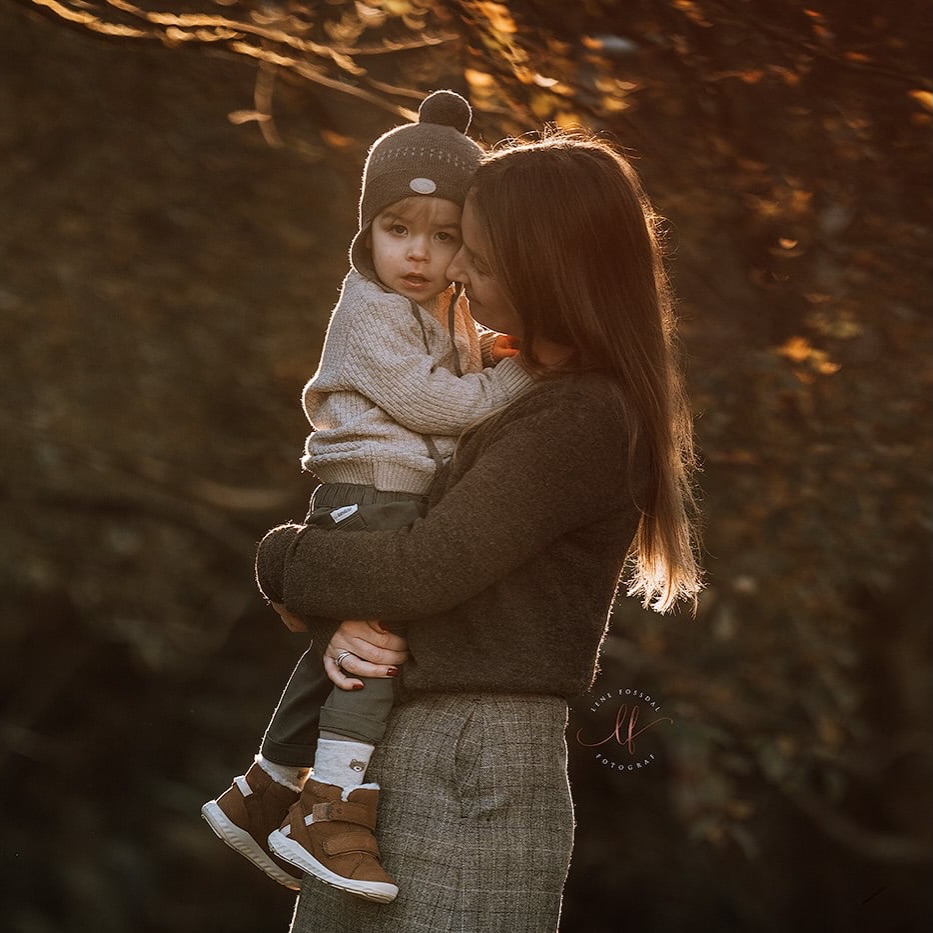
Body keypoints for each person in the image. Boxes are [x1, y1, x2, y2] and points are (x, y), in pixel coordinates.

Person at [253, 128, 704, 932]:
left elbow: (429, 566)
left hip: (474, 757)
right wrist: (338, 618)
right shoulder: (512, 386)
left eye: (479, 257)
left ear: (549, 272)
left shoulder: (582, 416)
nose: (454, 269)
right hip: (413, 744)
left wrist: (284, 560)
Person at [201, 90, 533, 903]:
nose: (416, 255)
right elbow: (439, 404)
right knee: (376, 649)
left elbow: (454, 366)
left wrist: (494, 344)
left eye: (442, 236)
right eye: (397, 231)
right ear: (365, 233)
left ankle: (262, 788)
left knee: (341, 649)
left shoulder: (438, 304)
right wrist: (522, 372)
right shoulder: (369, 307)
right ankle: (330, 809)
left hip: (390, 490)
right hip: (369, 489)